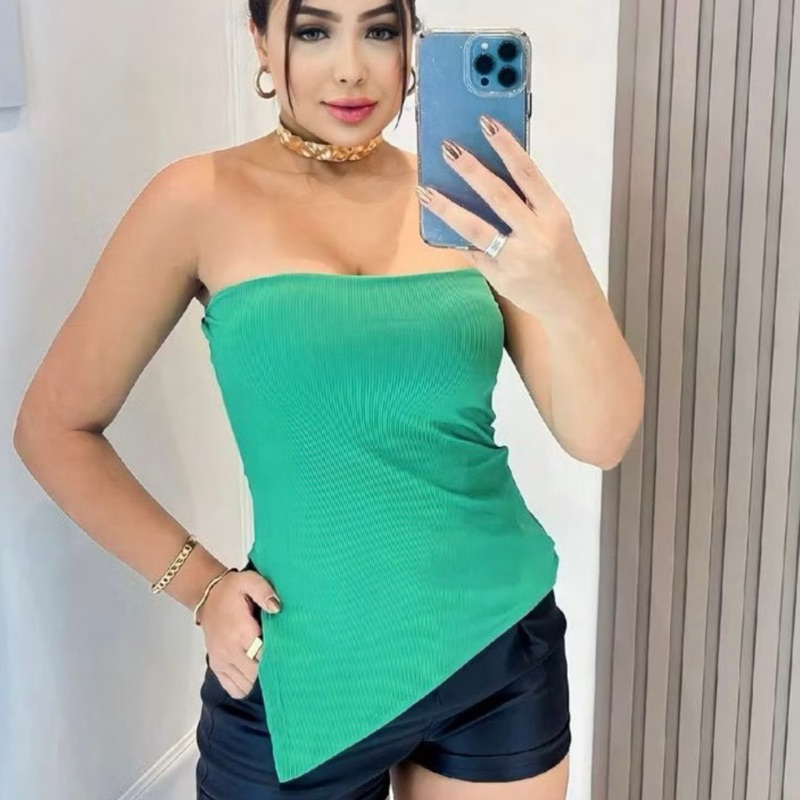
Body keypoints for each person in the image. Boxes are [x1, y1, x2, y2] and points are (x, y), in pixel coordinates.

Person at [12, 1, 645, 798]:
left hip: (497, 647)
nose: (351, 68)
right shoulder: (196, 199)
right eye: (314, 31)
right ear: (260, 40)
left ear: (412, 43)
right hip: (303, 672)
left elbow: (601, 438)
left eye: (380, 31)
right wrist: (200, 584)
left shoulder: (467, 204)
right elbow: (54, 427)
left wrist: (566, 277)